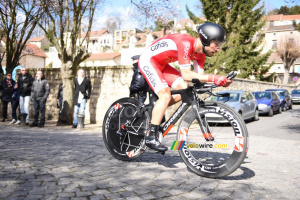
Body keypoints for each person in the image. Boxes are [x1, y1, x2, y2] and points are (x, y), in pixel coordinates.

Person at [138, 22, 232, 152]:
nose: (218, 49)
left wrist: (220, 82)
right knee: (165, 95)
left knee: (185, 89)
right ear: (206, 39)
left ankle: (153, 110)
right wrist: (214, 77)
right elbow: (187, 74)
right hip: (149, 61)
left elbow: (199, 77)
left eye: (220, 45)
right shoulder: (185, 43)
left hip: (163, 64)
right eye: (216, 44)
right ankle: (150, 136)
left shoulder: (201, 55)